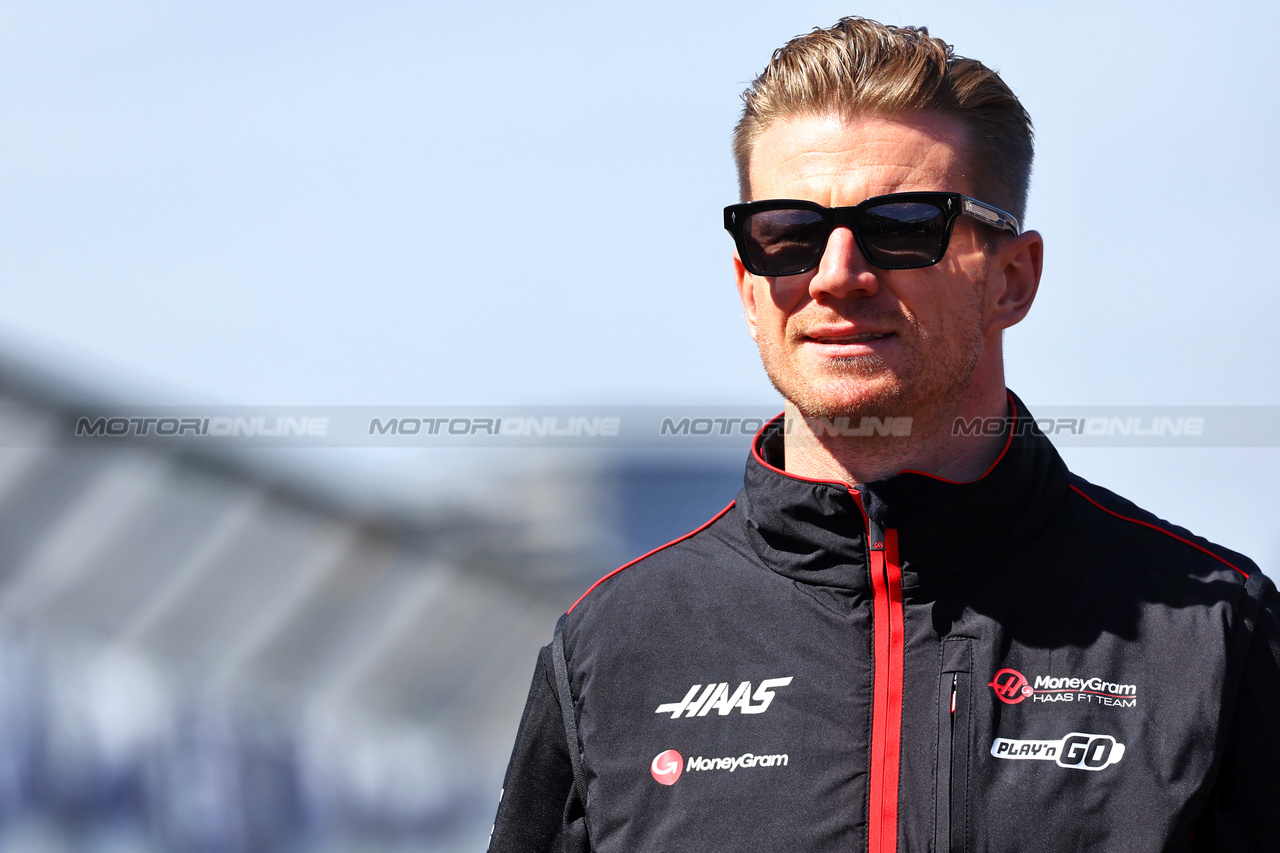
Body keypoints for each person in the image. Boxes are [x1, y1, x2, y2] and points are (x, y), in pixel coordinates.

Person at [487, 16, 1280, 852]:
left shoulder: (1212, 635)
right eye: (787, 234)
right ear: (747, 288)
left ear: (1013, 278)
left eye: (903, 226)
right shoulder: (615, 645)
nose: (835, 275)